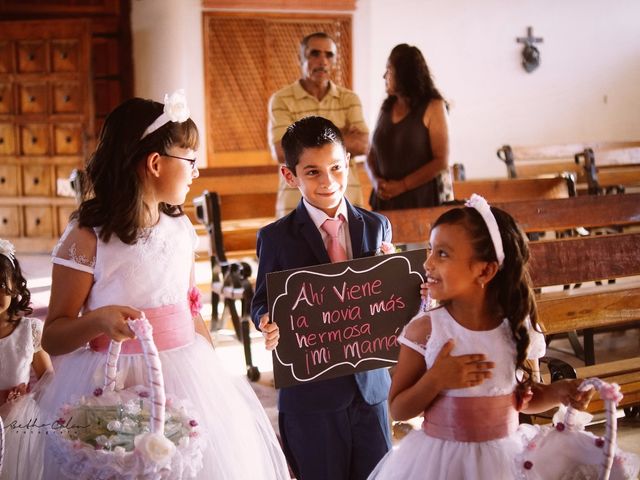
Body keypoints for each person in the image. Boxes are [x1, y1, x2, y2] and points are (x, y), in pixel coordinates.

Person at [39, 91, 289, 479]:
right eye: (190, 161)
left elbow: (190, 309)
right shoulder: (88, 238)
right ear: (155, 163)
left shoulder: (181, 228)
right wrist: (98, 321)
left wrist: (215, 377)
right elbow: (53, 336)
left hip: (186, 372)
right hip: (113, 379)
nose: (196, 172)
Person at [368, 195, 640, 479]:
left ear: (485, 270)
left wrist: (559, 393)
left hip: (504, 458)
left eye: (443, 254)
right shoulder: (426, 329)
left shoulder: (516, 328)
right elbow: (398, 408)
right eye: (430, 250)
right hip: (442, 461)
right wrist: (436, 378)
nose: (428, 263)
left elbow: (524, 399)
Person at [252, 116, 393, 480]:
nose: (328, 182)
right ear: (290, 176)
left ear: (348, 162)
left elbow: (396, 305)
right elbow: (262, 301)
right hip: (310, 396)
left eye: (335, 168)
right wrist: (266, 320)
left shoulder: (376, 227)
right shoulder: (276, 238)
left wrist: (404, 284)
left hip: (371, 390)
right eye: (312, 172)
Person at [269, 32, 368, 218]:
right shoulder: (281, 99)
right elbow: (281, 151)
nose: (322, 61)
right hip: (295, 205)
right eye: (315, 54)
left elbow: (363, 145)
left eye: (329, 55)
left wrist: (303, 138)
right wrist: (343, 135)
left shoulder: (349, 99)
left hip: (347, 202)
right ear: (301, 58)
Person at [366, 43, 452, 211]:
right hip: (385, 200)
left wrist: (402, 186)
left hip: (421, 202)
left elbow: (441, 160)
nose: (384, 76)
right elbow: (371, 154)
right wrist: (376, 181)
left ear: (405, 74)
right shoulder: (386, 108)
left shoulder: (434, 106)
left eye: (389, 70)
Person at [0, 239, 53, 480]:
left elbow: (47, 379)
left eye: (2, 285)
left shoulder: (28, 330)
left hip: (19, 421)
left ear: (14, 287)